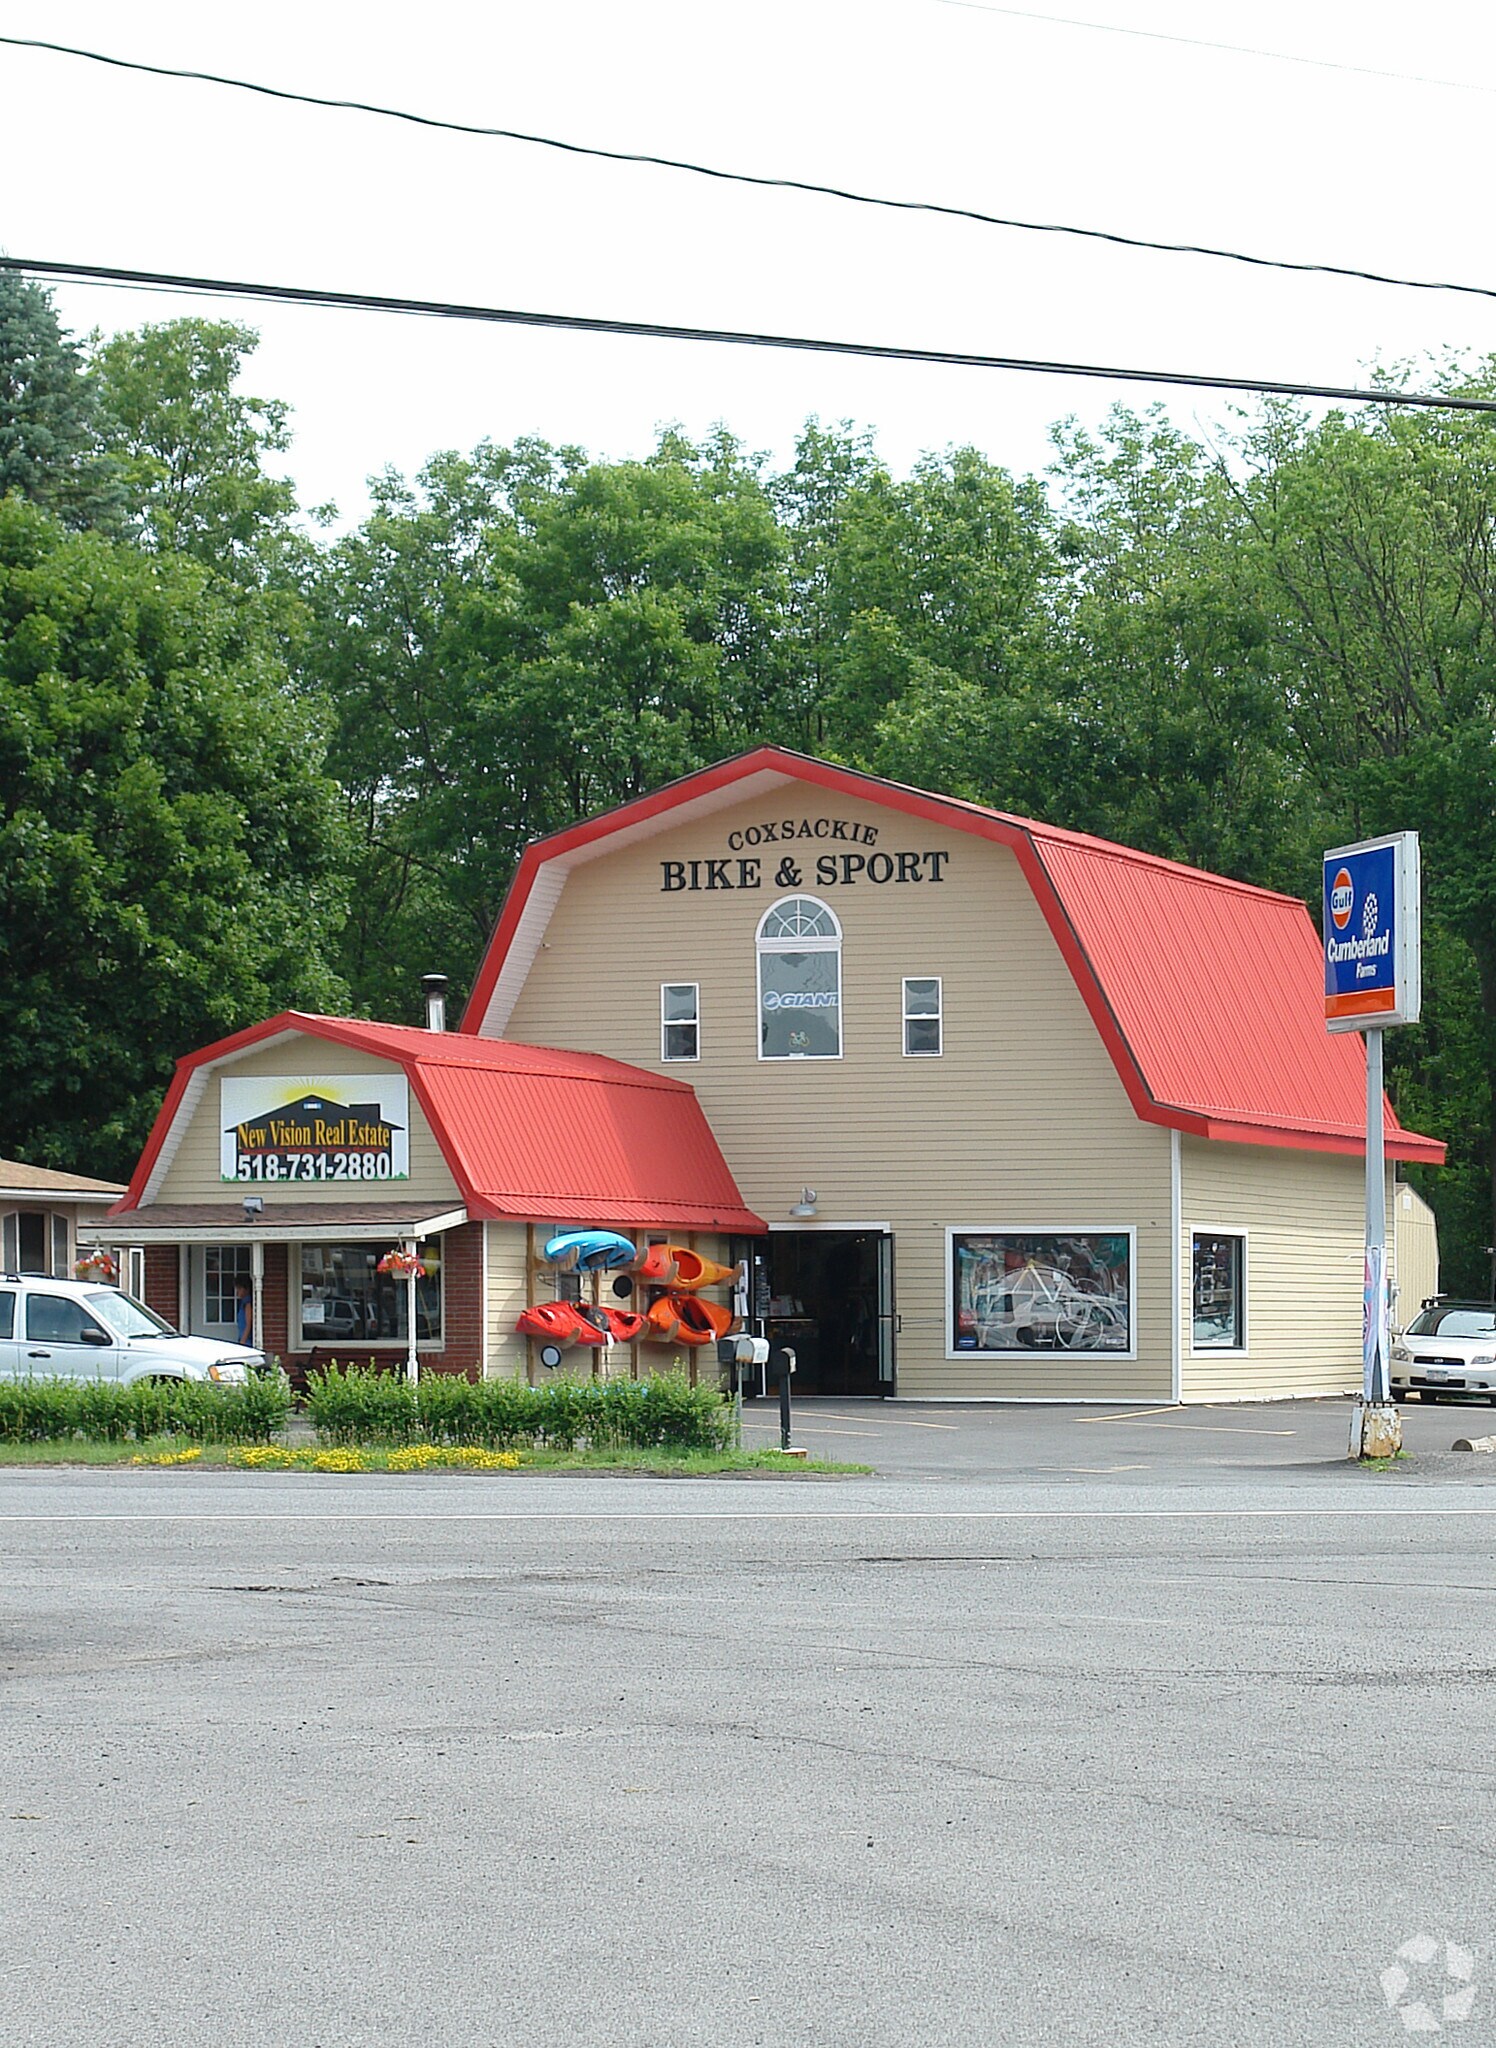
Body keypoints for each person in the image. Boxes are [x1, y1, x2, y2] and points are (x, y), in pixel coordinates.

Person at [233, 1280, 253, 1346]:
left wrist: (243, 1341)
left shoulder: (247, 1303)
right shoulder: (243, 1302)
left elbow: (248, 1324)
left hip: (246, 1341)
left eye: (239, 1289)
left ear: (245, 1289)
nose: (237, 1292)